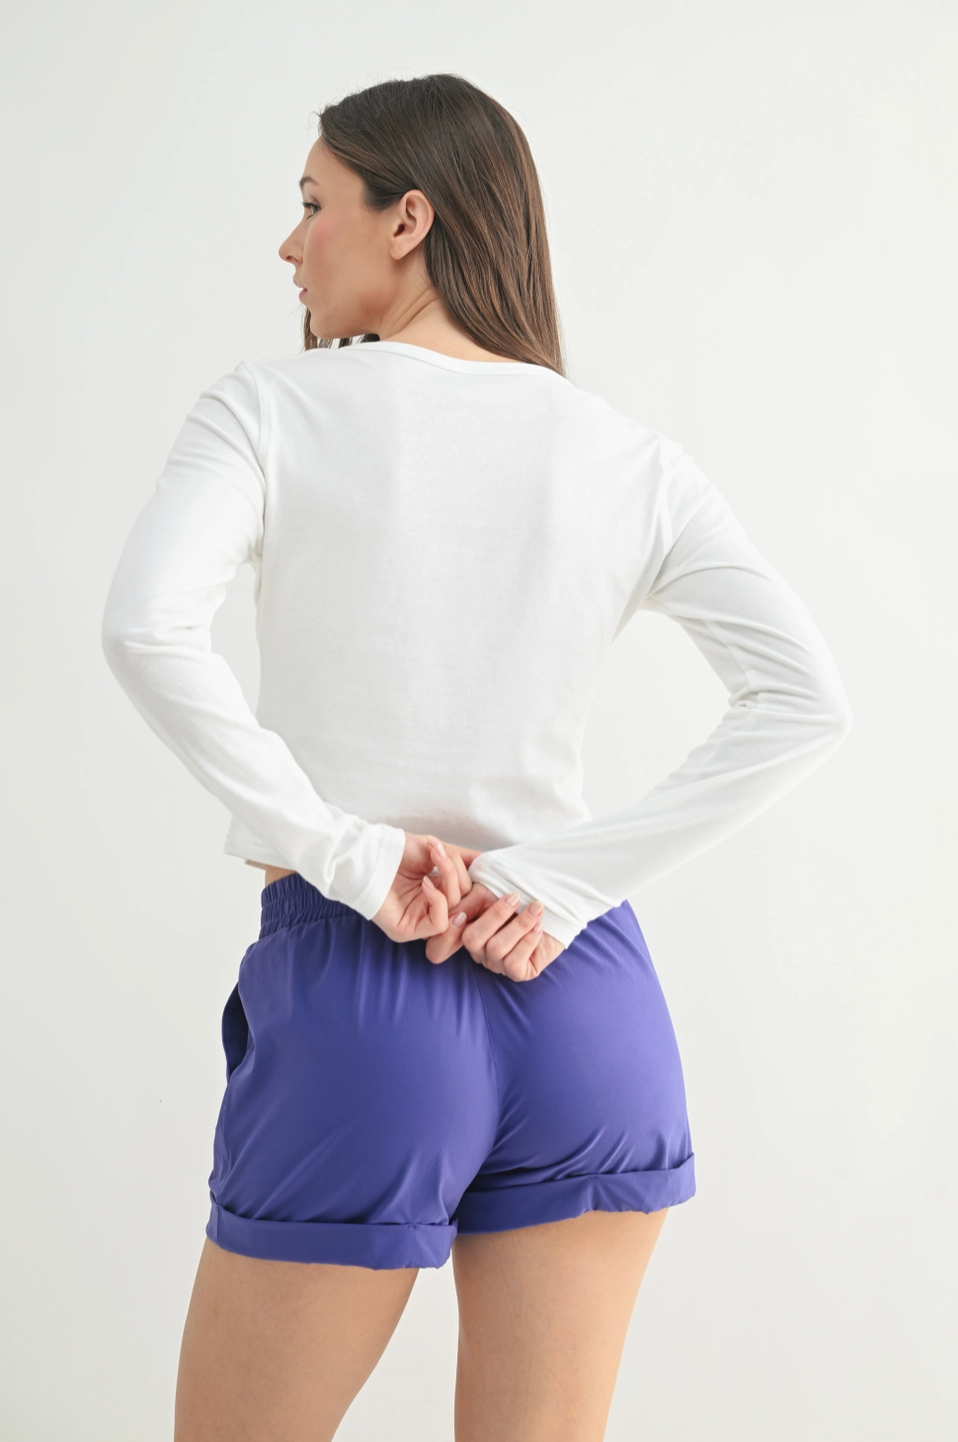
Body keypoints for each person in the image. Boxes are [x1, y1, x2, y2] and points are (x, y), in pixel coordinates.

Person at [100, 72, 853, 1442]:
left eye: (313, 202)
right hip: (584, 998)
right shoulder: (627, 454)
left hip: (362, 990)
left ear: (408, 220)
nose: (289, 243)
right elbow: (804, 699)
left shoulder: (270, 410)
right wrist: (562, 881)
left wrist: (350, 855)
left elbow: (146, 628)